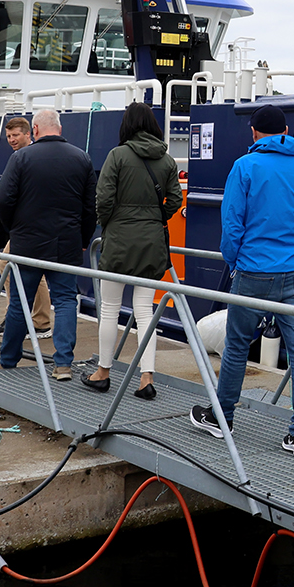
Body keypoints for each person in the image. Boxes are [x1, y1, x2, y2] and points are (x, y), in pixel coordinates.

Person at [189, 104, 294, 457]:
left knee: (236, 345)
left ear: (253, 133)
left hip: (252, 271)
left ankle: (222, 418)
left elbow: (232, 224)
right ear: (286, 132)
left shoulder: (244, 166)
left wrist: (234, 261)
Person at [82, 102, 179, 400]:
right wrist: (155, 219)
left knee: (110, 308)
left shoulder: (117, 155)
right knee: (145, 310)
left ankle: (103, 372)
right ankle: (146, 378)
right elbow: (175, 200)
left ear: (127, 125)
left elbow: (103, 199)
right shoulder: (166, 160)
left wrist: (109, 223)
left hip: (119, 240)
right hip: (152, 242)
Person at [0, 109, 95, 379]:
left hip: (28, 244)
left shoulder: (21, 158)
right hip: (66, 244)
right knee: (65, 301)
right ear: (59, 128)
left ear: (34, 130)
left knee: (20, 303)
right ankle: (63, 364)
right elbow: (90, 207)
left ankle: (8, 359)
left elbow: (3, 199)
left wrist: (15, 228)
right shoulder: (81, 158)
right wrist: (83, 239)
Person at [0, 115, 53, 339]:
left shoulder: (28, 157)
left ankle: (28, 319)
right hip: (27, 225)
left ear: (29, 133)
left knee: (11, 265)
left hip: (29, 226)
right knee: (24, 268)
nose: (11, 139)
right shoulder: (23, 156)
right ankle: (33, 319)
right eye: (8, 136)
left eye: (15, 135)